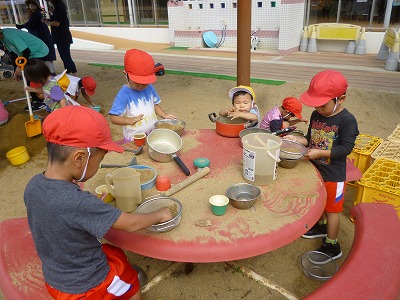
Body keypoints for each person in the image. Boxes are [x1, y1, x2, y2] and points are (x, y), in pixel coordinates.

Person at [24, 105, 173, 299]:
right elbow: (131, 223)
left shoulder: (33, 185)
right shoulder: (78, 203)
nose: (100, 164)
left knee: (113, 253)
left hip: (55, 275)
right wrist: (159, 214)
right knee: (130, 282)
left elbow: (60, 214)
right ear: (79, 158)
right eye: (100, 159)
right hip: (86, 287)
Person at [285, 70, 359, 262]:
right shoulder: (317, 115)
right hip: (316, 171)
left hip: (334, 175)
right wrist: (297, 139)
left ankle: (332, 245)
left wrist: (320, 153)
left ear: (340, 99)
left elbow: (346, 149)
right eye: (315, 104)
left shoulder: (347, 120)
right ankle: (321, 226)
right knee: (319, 203)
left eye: (323, 104)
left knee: (332, 210)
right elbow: (310, 139)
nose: (318, 108)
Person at [109, 48, 177, 142]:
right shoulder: (124, 94)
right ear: (126, 74)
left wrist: (164, 115)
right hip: (134, 139)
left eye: (144, 82)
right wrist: (129, 120)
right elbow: (113, 118)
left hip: (152, 134)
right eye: (137, 82)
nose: (141, 85)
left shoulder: (149, 88)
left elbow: (154, 104)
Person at [0, 27, 49, 111]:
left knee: (31, 76)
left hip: (38, 52)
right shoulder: (2, 38)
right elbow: (13, 54)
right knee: (27, 77)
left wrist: (20, 67)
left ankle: (40, 101)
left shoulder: (9, 35)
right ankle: (36, 99)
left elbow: (26, 51)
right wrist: (16, 69)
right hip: (29, 54)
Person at [16, 0, 57, 75]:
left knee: (46, 59)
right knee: (45, 59)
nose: (30, 7)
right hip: (40, 39)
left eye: (31, 4)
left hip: (41, 39)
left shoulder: (36, 14)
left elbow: (31, 24)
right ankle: (49, 74)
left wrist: (22, 26)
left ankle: (51, 75)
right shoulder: (36, 14)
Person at [43, 0, 77, 75]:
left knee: (66, 56)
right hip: (60, 36)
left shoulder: (59, 8)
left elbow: (57, 23)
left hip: (62, 36)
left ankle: (74, 72)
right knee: (63, 55)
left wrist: (47, 22)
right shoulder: (57, 7)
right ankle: (68, 71)